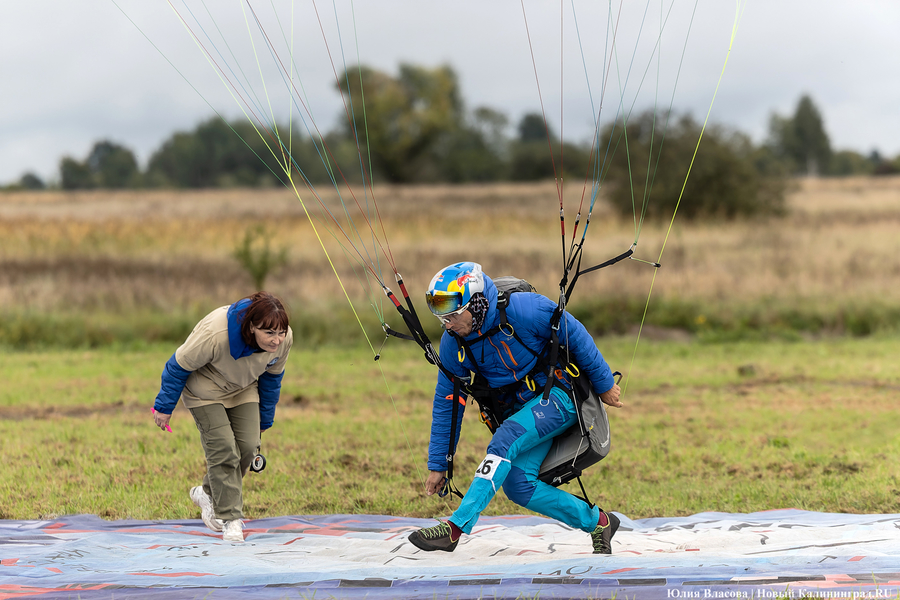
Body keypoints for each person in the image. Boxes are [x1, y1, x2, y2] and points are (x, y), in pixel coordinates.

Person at [407, 262, 623, 554]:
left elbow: (575, 334)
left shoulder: (525, 310)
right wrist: (439, 464)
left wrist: (605, 383)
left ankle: (455, 528)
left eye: (454, 315)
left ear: (479, 304)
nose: (448, 324)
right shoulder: (452, 343)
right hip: (523, 412)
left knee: (506, 438)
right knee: (518, 484)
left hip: (560, 394)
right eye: (442, 317)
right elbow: (449, 402)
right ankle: (600, 522)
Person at [152, 291, 293, 543]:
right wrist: (164, 407)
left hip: (243, 388)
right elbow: (177, 366)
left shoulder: (284, 340)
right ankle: (230, 520)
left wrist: (264, 419)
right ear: (251, 327)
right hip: (204, 390)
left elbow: (272, 380)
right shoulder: (216, 334)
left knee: (248, 449)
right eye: (269, 333)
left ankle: (207, 492)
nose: (277, 340)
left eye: (281, 332)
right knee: (225, 451)